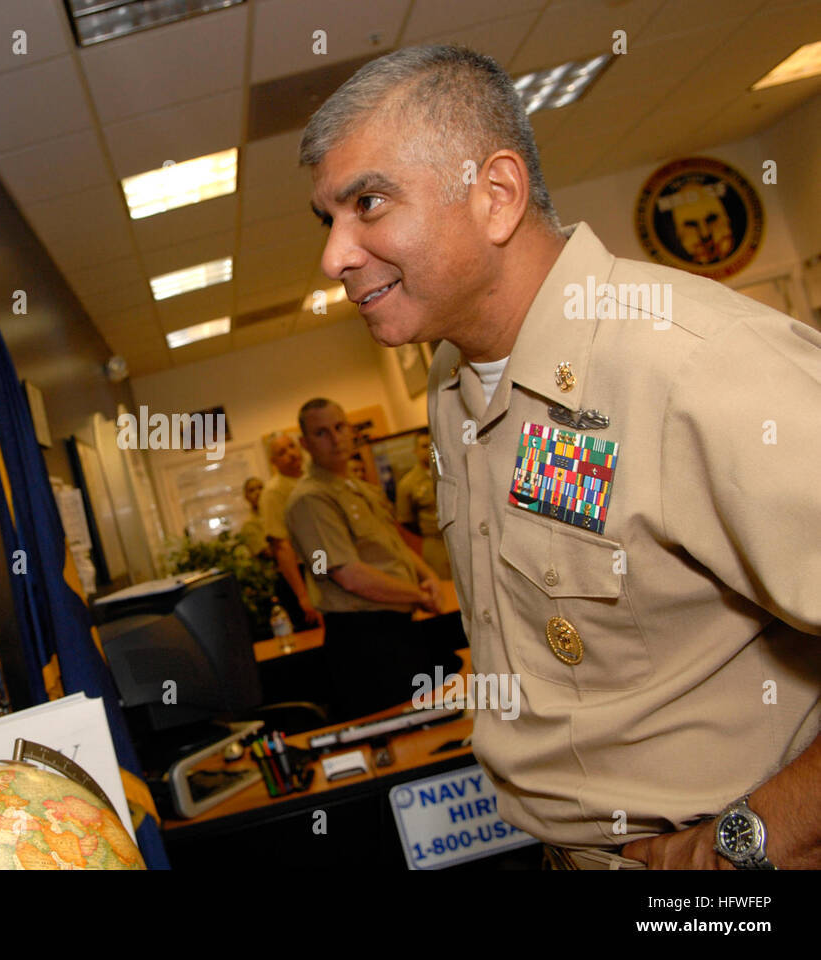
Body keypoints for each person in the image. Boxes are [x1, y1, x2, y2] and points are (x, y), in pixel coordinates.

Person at [302, 44, 821, 869]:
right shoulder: (451, 388)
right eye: (326, 220)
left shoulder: (696, 364)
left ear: (496, 196)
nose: (334, 256)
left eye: (368, 203)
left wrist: (747, 846)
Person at [284, 399, 445, 721]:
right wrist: (420, 595)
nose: (335, 438)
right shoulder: (311, 499)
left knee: (430, 722)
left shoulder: (359, 489)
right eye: (321, 432)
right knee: (400, 735)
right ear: (305, 444)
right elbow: (349, 576)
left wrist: (430, 576)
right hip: (363, 641)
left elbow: (396, 545)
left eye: (340, 427)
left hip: (397, 628)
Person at [259, 434, 320, 628]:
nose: (291, 454)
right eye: (282, 452)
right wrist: (302, 595)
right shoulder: (273, 492)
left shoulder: (314, 478)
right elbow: (281, 546)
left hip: (324, 563)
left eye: (292, 447)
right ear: (274, 462)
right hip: (302, 572)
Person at [395, 431, 452, 580]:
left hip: (459, 536)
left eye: (432, 446)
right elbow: (406, 521)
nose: (429, 450)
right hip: (435, 542)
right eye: (424, 446)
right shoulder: (407, 484)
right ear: (415, 450)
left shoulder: (451, 472)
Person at [238, 477, 267, 556]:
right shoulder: (249, 524)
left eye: (261, 488)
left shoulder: (276, 513)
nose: (258, 492)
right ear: (246, 497)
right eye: (252, 490)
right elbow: (266, 553)